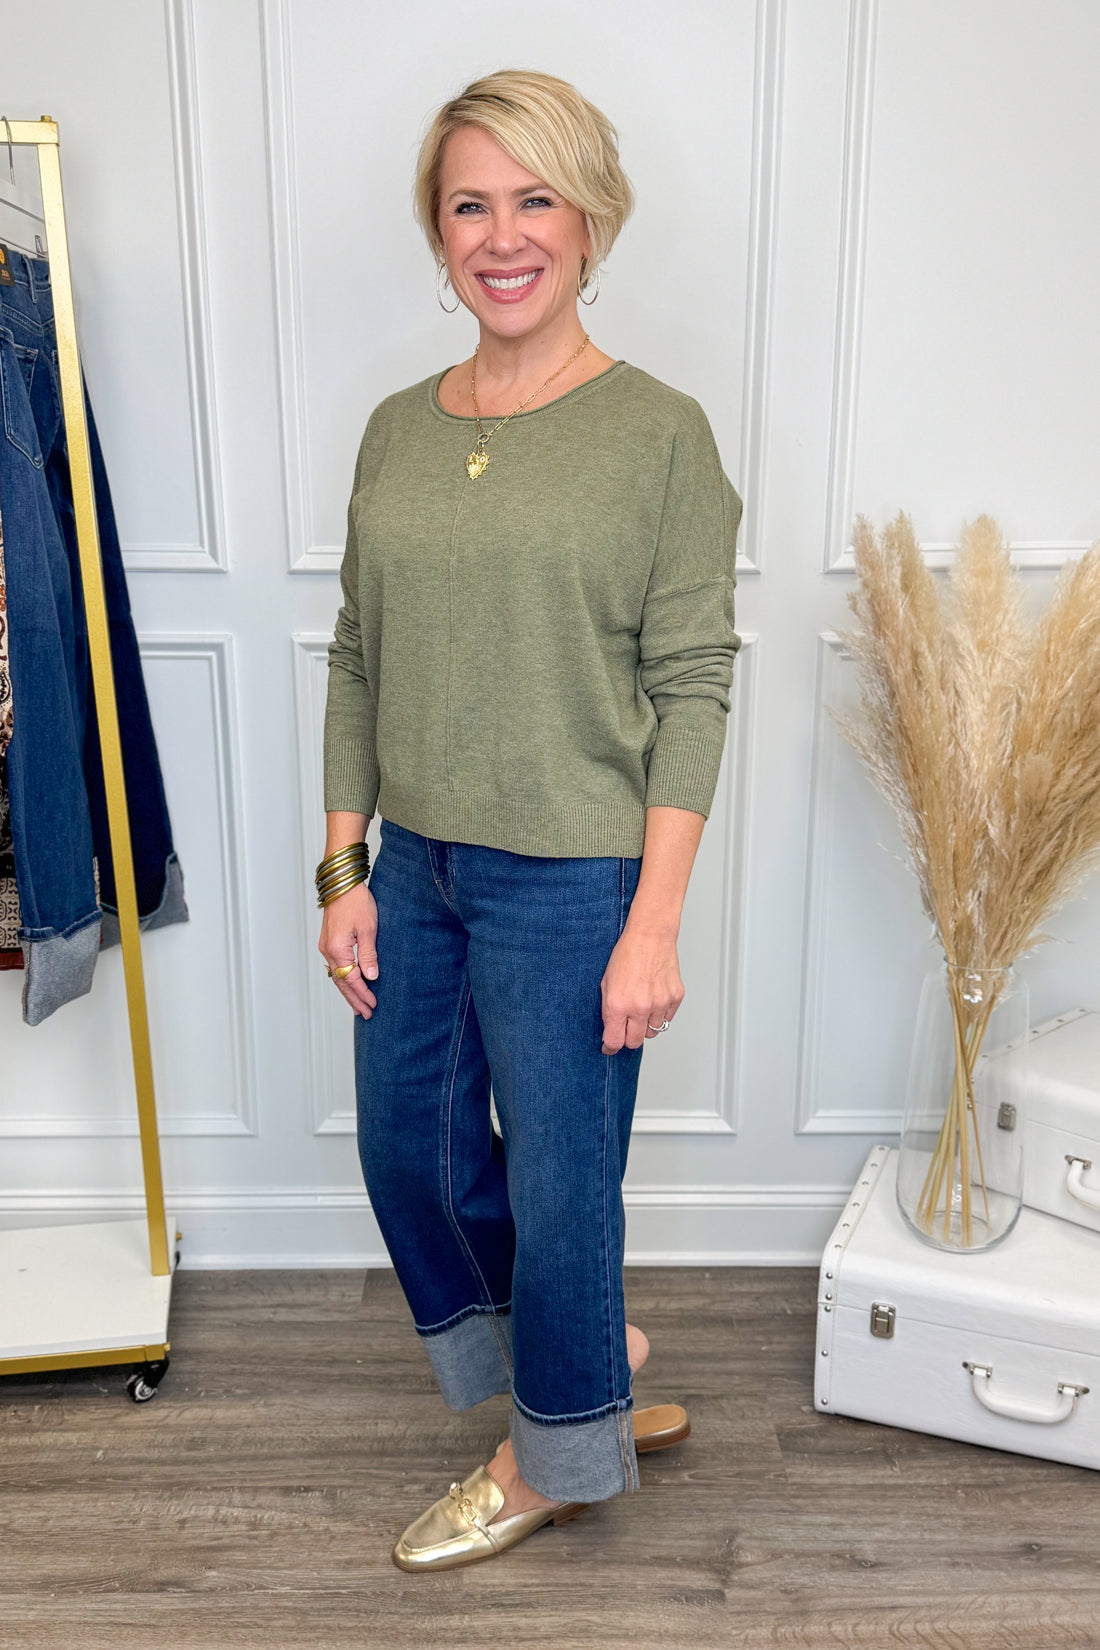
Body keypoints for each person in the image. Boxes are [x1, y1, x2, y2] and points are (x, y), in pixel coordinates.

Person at [317, 69, 742, 1571]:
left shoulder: (660, 436)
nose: (502, 237)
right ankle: (584, 1365)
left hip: (578, 881)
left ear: (591, 217)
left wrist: (654, 921)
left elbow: (692, 685)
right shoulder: (393, 431)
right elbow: (360, 651)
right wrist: (345, 866)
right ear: (439, 236)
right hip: (413, 866)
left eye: (534, 199)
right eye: (469, 205)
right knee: (411, 1157)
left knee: (567, 1189)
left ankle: (550, 1453)